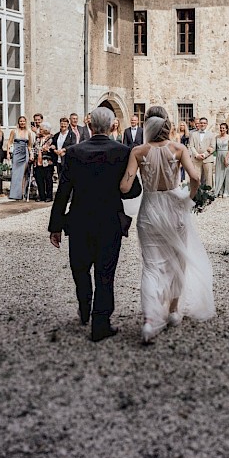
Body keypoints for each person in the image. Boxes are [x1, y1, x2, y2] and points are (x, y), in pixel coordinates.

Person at [121, 109, 216, 343]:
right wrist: (189, 198)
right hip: (174, 207)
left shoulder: (137, 152)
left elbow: (124, 187)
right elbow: (195, 177)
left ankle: (150, 320)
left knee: (152, 265)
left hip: (150, 209)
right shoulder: (179, 149)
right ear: (166, 128)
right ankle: (173, 311)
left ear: (147, 130)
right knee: (177, 260)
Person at [49, 108, 138, 342]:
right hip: (109, 220)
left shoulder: (75, 152)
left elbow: (63, 192)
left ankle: (84, 304)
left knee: (80, 268)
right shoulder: (122, 152)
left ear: (90, 127)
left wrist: (55, 225)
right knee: (105, 272)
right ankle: (101, 322)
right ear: (111, 127)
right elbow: (133, 190)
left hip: (79, 219)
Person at [6, 116, 34, 200]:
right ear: (18, 122)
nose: (22, 123)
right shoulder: (14, 131)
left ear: (25, 122)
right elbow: (9, 142)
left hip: (25, 152)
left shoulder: (28, 132)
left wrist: (31, 154)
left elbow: (29, 145)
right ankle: (15, 194)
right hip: (16, 152)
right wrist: (8, 153)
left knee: (23, 174)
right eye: (20, 121)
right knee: (15, 173)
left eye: (23, 121)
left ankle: (23, 193)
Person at [188, 116, 216, 189]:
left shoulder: (211, 134)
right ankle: (197, 194)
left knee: (208, 177)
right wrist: (196, 155)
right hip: (196, 159)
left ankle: (209, 194)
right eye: (201, 123)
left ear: (207, 124)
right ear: (199, 124)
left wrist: (204, 154)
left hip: (208, 159)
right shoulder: (194, 134)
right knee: (196, 177)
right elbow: (191, 146)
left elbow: (213, 147)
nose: (202, 124)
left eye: (204, 123)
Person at [32, 122, 55, 201]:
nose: (40, 130)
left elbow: (51, 148)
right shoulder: (38, 138)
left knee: (48, 179)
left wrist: (47, 149)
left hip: (47, 161)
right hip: (37, 161)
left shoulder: (52, 138)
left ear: (46, 130)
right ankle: (42, 196)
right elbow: (34, 147)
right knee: (39, 179)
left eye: (41, 129)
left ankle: (49, 196)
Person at [51, 116, 75, 184]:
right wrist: (55, 150)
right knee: (60, 177)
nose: (63, 125)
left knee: (67, 178)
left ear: (68, 125)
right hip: (58, 160)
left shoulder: (72, 135)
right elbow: (53, 145)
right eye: (62, 124)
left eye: (65, 124)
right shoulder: (56, 135)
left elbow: (73, 145)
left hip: (67, 159)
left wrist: (64, 150)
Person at [214, 122, 229, 197]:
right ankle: (220, 190)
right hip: (219, 155)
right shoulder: (217, 137)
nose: (222, 129)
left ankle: (226, 191)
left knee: (227, 174)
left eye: (223, 128)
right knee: (219, 173)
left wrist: (226, 158)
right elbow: (214, 148)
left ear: (226, 129)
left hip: (226, 155)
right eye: (221, 128)